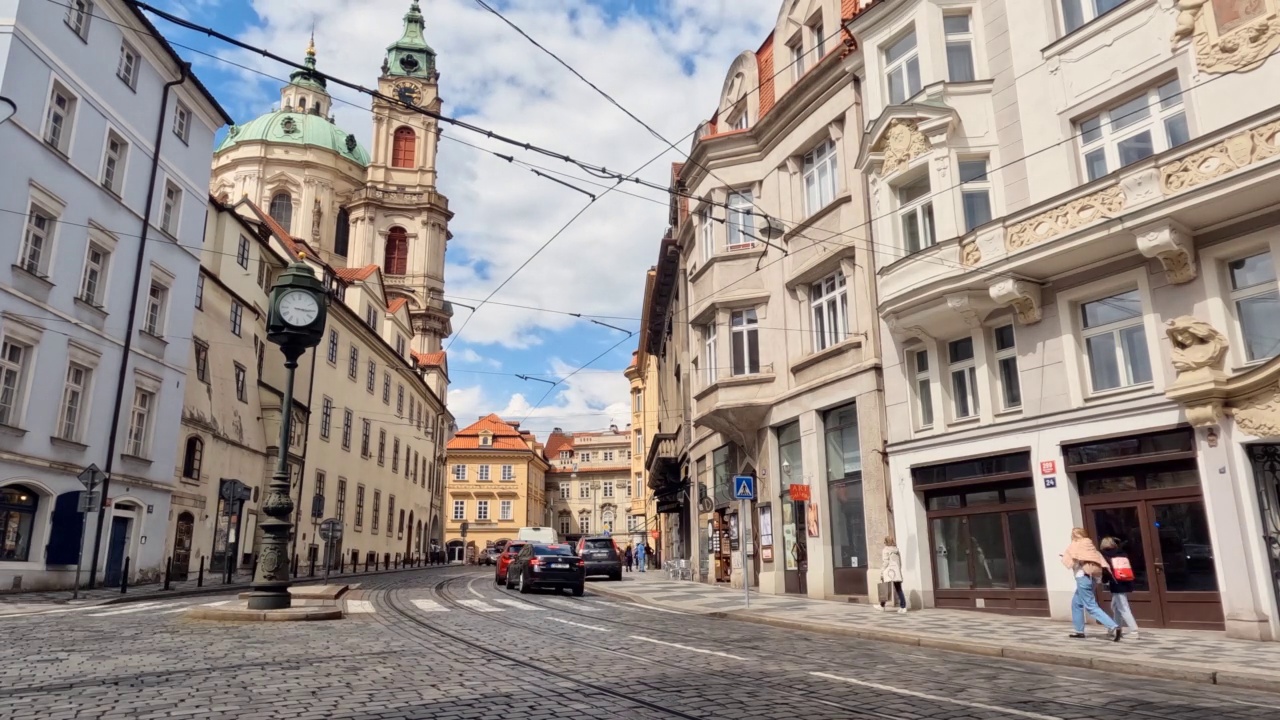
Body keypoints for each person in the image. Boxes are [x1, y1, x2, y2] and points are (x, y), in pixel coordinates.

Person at [1061, 528, 1123, 641]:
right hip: (1092, 577)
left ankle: (1113, 626)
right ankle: (1079, 631)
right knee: (1076, 604)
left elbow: (1071, 558)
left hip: (1082, 577)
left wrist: (1067, 558)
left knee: (1090, 605)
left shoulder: (1076, 544)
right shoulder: (1090, 545)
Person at [1100, 537, 1140, 639]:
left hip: (1116, 583)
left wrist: (1103, 580)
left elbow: (1106, 571)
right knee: (1115, 607)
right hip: (1125, 580)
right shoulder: (1122, 553)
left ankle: (1134, 630)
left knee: (1123, 607)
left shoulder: (1105, 555)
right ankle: (1115, 629)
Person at [877, 535, 907, 613]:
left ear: (886, 542)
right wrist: (899, 571)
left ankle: (882, 606)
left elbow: (886, 562)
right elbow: (899, 563)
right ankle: (903, 607)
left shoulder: (885, 550)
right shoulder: (896, 550)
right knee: (899, 589)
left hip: (888, 571)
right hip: (896, 571)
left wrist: (882, 571)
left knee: (885, 588)